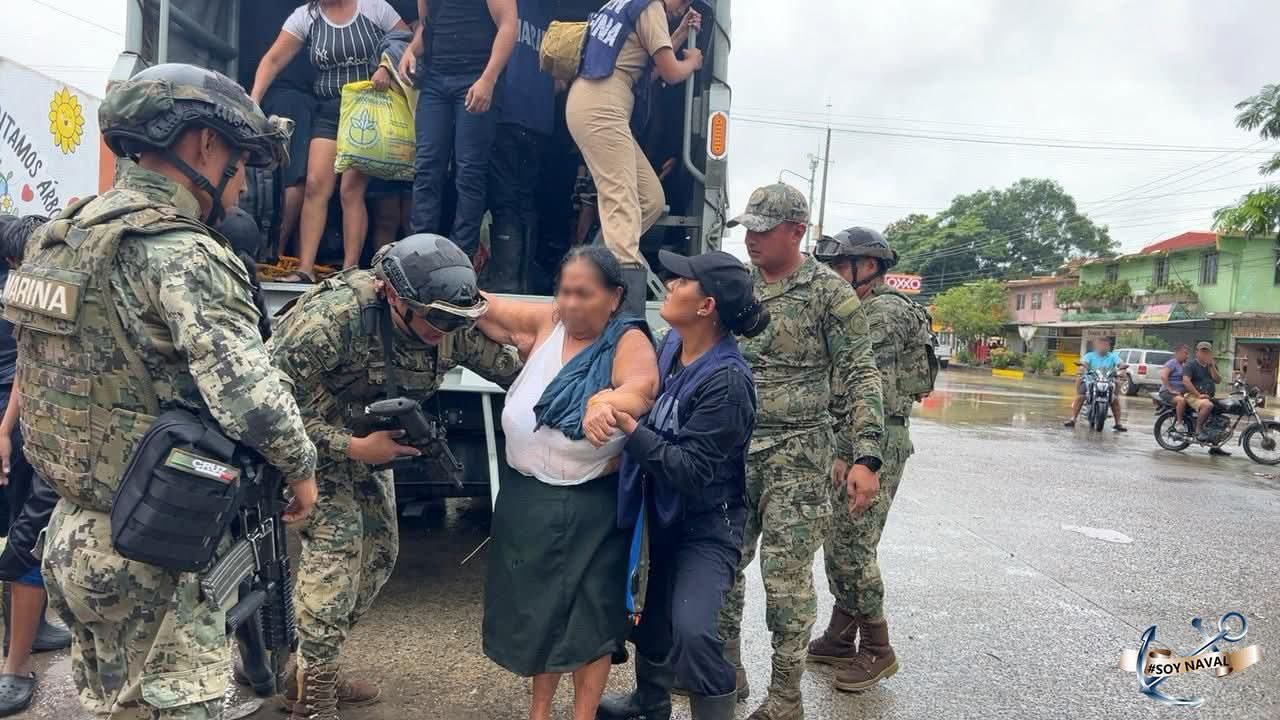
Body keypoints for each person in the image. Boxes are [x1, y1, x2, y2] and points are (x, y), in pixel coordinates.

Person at [4, 63, 318, 720]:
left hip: (73, 535)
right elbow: (251, 395)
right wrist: (303, 471)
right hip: (156, 546)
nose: (238, 187)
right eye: (238, 160)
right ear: (204, 146)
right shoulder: (183, 251)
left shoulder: (60, 238)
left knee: (116, 706)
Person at [269, 234, 519, 720]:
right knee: (337, 557)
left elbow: (511, 370)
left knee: (380, 555)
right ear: (391, 296)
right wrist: (351, 446)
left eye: (454, 320)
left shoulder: (447, 319)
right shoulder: (334, 320)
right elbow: (269, 406)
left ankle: (310, 664)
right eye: (435, 318)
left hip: (368, 447)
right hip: (308, 448)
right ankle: (314, 696)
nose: (443, 330)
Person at [716, 184, 884, 720]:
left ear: (797, 231)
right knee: (721, 565)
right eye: (748, 228)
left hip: (798, 455)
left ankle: (785, 697)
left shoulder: (827, 294)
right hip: (733, 450)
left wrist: (866, 457)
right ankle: (725, 671)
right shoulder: (737, 286)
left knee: (785, 579)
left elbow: (861, 373)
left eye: (764, 230)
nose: (752, 239)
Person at [476, 246, 659, 720]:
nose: (572, 303)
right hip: (527, 501)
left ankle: (582, 716)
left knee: (590, 622)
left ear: (614, 297)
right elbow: (476, 305)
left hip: (592, 507)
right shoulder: (548, 322)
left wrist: (606, 403)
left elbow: (640, 386)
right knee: (540, 615)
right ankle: (539, 713)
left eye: (584, 293)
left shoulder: (627, 340)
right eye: (565, 291)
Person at [598, 250, 767, 720]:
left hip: (707, 523)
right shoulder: (673, 342)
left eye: (683, 280)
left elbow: (691, 469)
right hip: (661, 512)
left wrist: (630, 428)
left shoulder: (728, 381)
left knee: (693, 630)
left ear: (706, 306)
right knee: (650, 618)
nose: (670, 283)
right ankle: (649, 704)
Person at [808, 228, 934, 692]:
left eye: (843, 266)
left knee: (852, 544)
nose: (836, 275)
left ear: (870, 267)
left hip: (873, 441)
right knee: (842, 538)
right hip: (857, 436)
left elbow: (865, 390)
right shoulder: (863, 308)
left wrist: (852, 453)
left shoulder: (882, 313)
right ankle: (842, 635)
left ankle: (878, 648)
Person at [252, 0, 410, 281]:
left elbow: (407, 36)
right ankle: (305, 269)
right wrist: (253, 100)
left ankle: (349, 271)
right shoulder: (306, 16)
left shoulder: (373, 7)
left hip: (367, 107)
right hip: (329, 107)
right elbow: (273, 59)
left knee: (350, 189)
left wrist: (386, 66)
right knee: (314, 185)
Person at [564, 0, 704, 316]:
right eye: (683, 2)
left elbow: (649, 66)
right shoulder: (650, 6)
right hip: (603, 105)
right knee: (621, 201)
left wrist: (679, 32)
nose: (683, 7)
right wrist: (693, 62)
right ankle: (620, 307)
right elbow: (669, 71)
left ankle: (591, 264)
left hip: (598, 101)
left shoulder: (631, 5)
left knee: (649, 199)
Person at [0, 214, 72, 718]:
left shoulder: (38, 291)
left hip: (29, 423)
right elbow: (27, 368)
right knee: (28, 539)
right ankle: (14, 667)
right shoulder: (35, 293)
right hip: (26, 425)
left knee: (25, 536)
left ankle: (30, 634)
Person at [400, 0, 518, 267]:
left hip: (475, 77)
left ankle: (461, 256)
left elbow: (509, 26)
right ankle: (420, 251)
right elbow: (428, 27)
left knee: (469, 171)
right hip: (435, 80)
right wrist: (411, 50)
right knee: (427, 166)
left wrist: (488, 79)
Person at [484, 0, 555, 292]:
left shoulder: (504, 8)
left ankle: (505, 282)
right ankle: (522, 281)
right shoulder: (544, 14)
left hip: (506, 112)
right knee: (526, 199)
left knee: (504, 201)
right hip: (540, 119)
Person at [1064, 336, 1127, 431]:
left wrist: (1122, 368)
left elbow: (1120, 364)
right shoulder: (1089, 355)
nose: (1103, 347)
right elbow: (1084, 363)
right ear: (1096, 346)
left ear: (1109, 347)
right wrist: (1082, 367)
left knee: (1115, 400)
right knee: (1080, 396)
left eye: (1106, 345)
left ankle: (1118, 423)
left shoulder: (1113, 356)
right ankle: (1073, 419)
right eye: (1101, 344)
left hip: (1107, 381)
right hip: (1091, 381)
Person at [1183, 341, 1226, 453]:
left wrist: (1211, 366)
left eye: (1206, 351)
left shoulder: (1211, 365)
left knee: (1219, 416)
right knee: (1207, 405)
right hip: (1192, 395)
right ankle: (1198, 430)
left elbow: (1218, 380)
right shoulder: (1191, 365)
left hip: (1208, 396)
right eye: (1202, 351)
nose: (1204, 353)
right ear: (1197, 352)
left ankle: (1215, 447)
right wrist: (1198, 394)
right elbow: (1186, 381)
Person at [1160, 344, 1190, 432]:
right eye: (1185, 353)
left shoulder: (1184, 365)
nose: (1187, 356)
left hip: (1180, 392)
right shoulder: (1172, 363)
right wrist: (1170, 389)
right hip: (1167, 392)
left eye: (1187, 354)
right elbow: (1163, 376)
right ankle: (1179, 423)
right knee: (1181, 400)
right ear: (1178, 353)